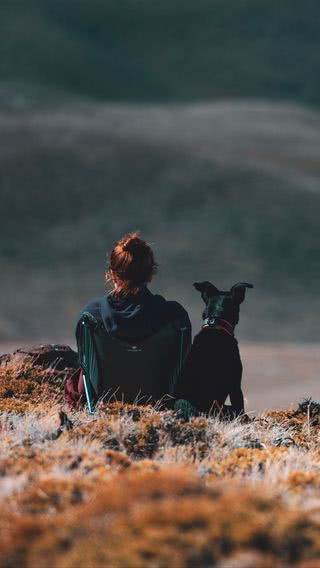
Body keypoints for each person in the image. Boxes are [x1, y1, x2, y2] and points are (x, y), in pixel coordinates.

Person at [65, 232, 191, 408]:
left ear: (112, 274)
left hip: (106, 405)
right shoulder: (175, 316)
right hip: (159, 405)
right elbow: (181, 370)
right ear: (150, 274)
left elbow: (87, 371)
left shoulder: (90, 316)